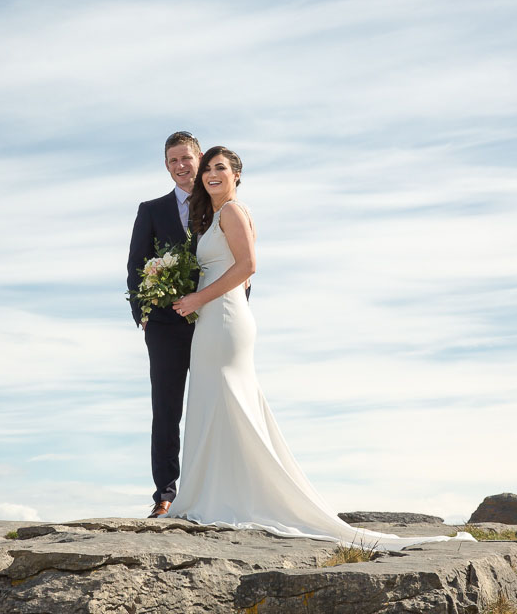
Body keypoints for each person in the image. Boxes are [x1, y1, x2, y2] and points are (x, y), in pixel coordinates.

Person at [167, 146, 474, 549]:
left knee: (227, 398)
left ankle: (229, 498)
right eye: (207, 169)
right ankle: (217, 493)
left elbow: (248, 266)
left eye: (219, 168)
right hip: (219, 317)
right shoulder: (217, 216)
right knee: (217, 400)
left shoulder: (232, 212)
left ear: (237, 175)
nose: (211, 174)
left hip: (222, 318)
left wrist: (200, 300)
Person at [127, 131, 201, 518]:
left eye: (186, 158)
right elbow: (136, 265)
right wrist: (143, 313)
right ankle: (165, 495)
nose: (180, 166)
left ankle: (208, 488)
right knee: (166, 408)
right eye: (172, 160)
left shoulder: (222, 207)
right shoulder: (151, 209)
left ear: (199, 158)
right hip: (164, 326)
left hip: (212, 323)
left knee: (213, 404)